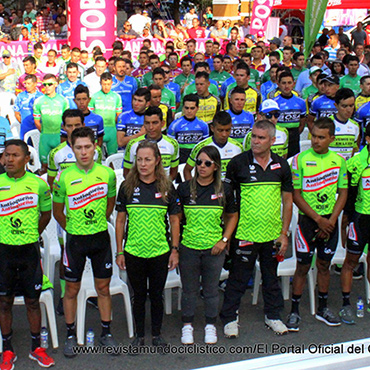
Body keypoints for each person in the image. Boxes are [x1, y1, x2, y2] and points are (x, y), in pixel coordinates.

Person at [220, 119, 293, 336]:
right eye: (253, 136)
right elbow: (227, 201)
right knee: (238, 278)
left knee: (271, 278)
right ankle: (230, 318)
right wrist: (226, 235)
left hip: (272, 234)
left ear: (272, 140)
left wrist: (284, 233)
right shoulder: (237, 163)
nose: (255, 141)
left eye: (261, 138)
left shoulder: (282, 165)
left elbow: (288, 201)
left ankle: (274, 316)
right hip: (244, 233)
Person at [53, 127, 117, 357]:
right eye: (78, 148)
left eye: (87, 147)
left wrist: (98, 222)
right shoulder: (64, 176)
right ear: (72, 148)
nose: (83, 152)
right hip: (75, 240)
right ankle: (70, 335)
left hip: (100, 238)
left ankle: (106, 333)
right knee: (71, 288)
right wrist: (73, 229)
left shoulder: (107, 174)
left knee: (103, 288)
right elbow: (57, 212)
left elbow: (111, 203)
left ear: (95, 147)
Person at [116, 139, 180, 351]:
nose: (143, 164)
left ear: (157, 161)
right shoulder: (127, 187)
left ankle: (157, 334)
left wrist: (174, 250)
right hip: (134, 252)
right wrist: (120, 252)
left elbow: (174, 221)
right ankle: (139, 336)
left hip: (160, 251)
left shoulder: (167, 187)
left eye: (147, 160)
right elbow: (120, 221)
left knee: (156, 295)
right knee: (139, 296)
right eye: (139, 160)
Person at [286, 117, 348, 332]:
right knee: (302, 266)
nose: (315, 141)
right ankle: (294, 310)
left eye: (321, 137)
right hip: (308, 222)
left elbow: (343, 193)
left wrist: (330, 220)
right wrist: (318, 219)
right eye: (313, 136)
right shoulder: (299, 160)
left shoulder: (339, 161)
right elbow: (296, 194)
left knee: (324, 265)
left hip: (329, 222)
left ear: (331, 138)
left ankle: (323, 308)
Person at [0, 139, 54, 369]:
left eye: (14, 155)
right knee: (4, 302)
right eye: (6, 155)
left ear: (26, 159)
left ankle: (36, 348)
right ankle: (7, 349)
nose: (8, 160)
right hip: (4, 252)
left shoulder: (39, 185)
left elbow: (46, 214)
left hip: (29, 251)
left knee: (33, 301)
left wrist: (31, 234)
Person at [178, 146, 238, 344]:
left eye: (207, 163)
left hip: (214, 249)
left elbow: (232, 216)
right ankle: (187, 325)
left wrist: (224, 240)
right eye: (199, 162)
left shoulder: (224, 190)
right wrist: (176, 248)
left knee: (211, 290)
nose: (202, 166)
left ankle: (210, 325)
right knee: (189, 290)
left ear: (215, 167)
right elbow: (176, 219)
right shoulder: (185, 188)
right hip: (189, 248)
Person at [339, 123, 370, 324]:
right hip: (360, 219)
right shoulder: (356, 162)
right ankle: (346, 304)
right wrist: (345, 223)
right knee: (351, 262)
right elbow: (348, 196)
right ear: (368, 139)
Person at [123, 106, 179, 180]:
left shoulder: (173, 144)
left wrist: (164, 185)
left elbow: (174, 172)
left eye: (155, 123)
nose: (151, 127)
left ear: (162, 123)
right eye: (147, 123)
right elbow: (127, 172)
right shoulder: (133, 144)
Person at [184, 111, 242, 180]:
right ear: (212, 128)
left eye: (227, 130)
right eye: (220, 130)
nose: (224, 134)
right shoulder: (201, 147)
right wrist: (192, 188)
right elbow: (187, 170)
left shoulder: (238, 147)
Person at [33, 73, 69, 171]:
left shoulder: (63, 101)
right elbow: (37, 122)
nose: (47, 87)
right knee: (44, 167)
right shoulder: (38, 101)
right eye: (45, 85)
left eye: (50, 84)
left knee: (62, 166)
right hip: (45, 139)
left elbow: (67, 121)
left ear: (56, 84)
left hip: (59, 137)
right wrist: (45, 133)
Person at [167, 94, 209, 163]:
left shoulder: (203, 125)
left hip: (197, 158)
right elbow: (170, 146)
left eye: (192, 108)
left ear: (197, 108)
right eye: (186, 108)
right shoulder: (174, 125)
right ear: (183, 108)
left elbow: (205, 147)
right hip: (180, 158)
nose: (189, 111)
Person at [273, 71, 306, 157]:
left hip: (294, 136)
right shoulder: (274, 102)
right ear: (278, 84)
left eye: (289, 83)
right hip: (279, 136)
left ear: (293, 84)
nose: (286, 86)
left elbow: (302, 122)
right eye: (283, 83)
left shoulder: (301, 102)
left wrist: (295, 133)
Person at [89, 72, 122, 156]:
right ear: (100, 83)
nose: (106, 87)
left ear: (112, 83)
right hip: (98, 130)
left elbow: (119, 116)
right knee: (96, 156)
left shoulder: (116, 97)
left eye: (108, 84)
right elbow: (91, 116)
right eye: (104, 84)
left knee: (112, 157)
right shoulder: (94, 97)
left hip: (112, 130)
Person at [13, 74, 43, 140]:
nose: (26, 86)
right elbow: (16, 113)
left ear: (35, 84)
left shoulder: (41, 97)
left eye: (29, 83)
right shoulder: (20, 96)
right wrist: (24, 123)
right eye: (25, 83)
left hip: (37, 128)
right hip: (25, 129)